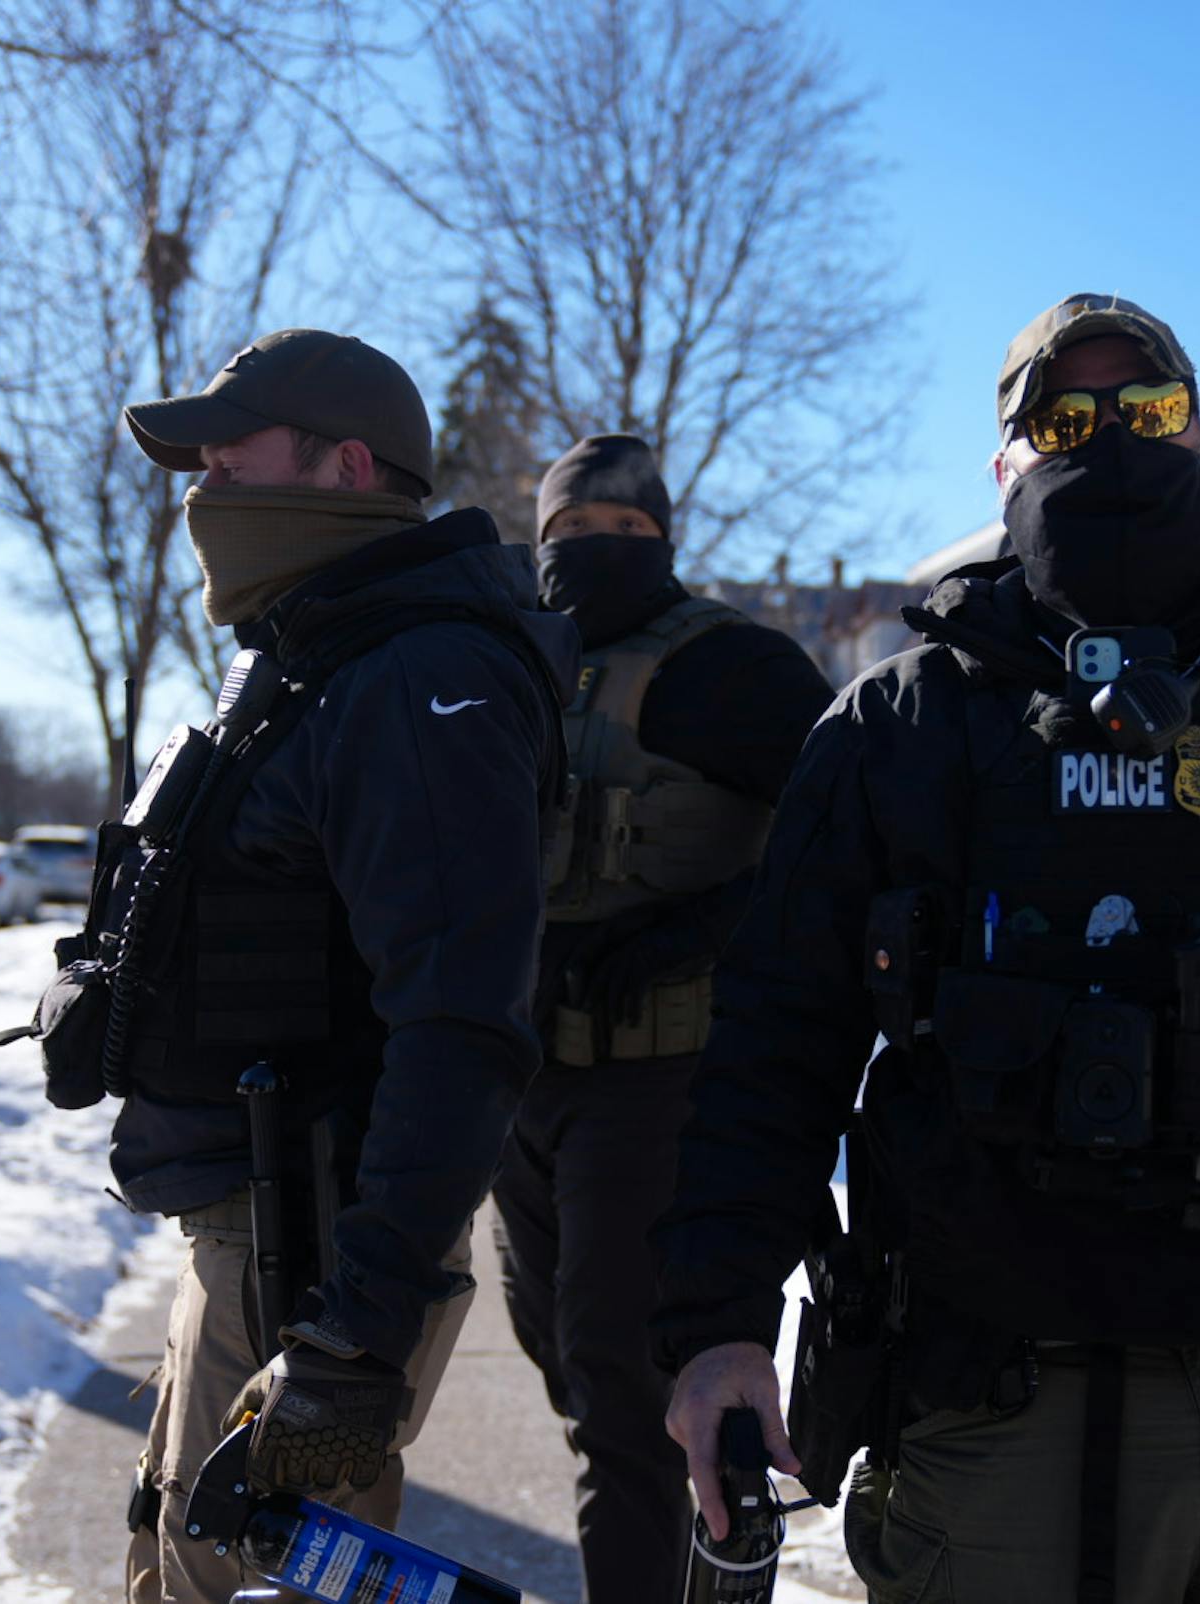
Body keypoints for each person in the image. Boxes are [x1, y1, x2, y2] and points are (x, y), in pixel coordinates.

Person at [652, 294, 1200, 1602]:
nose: (1115, 441)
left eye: (1148, 409)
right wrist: (720, 1321)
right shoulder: (901, 724)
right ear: (1005, 465)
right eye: (1068, 420)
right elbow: (771, 1042)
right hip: (1001, 1413)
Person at [88, 328, 574, 1604]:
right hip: (260, 1235)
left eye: (228, 457)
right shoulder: (323, 655)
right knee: (176, 1563)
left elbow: (463, 1022)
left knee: (235, 1582)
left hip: (317, 1252)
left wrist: (357, 1326)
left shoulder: (422, 675)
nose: (202, 490)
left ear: (347, 467)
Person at [494, 434, 834, 1599]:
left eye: (627, 531)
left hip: (662, 1078)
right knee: (567, 1359)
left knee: (627, 1398)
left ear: (666, 539)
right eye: (572, 531)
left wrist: (695, 930)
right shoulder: (503, 664)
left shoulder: (734, 666)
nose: (598, 549)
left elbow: (837, 836)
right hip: (524, 1077)